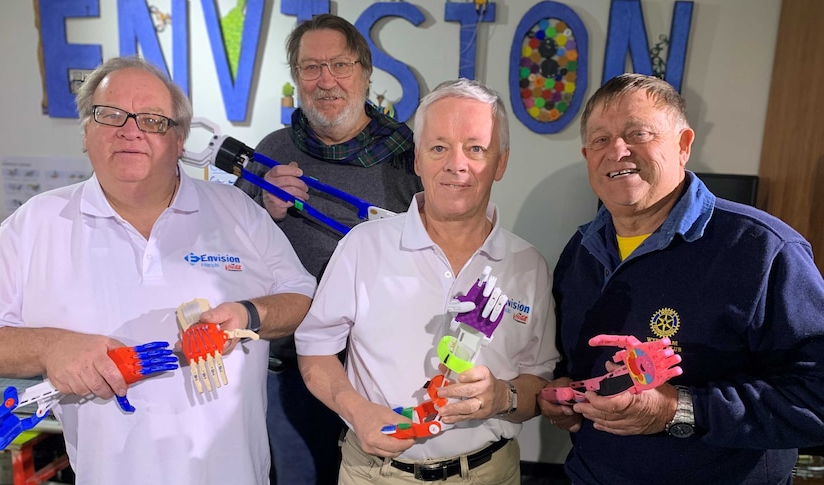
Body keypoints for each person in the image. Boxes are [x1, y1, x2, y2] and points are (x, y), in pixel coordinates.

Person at [0, 56, 316, 484]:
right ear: (86, 130)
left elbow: (301, 295)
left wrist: (248, 314)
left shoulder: (236, 211)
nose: (129, 131)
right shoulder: (35, 224)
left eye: (151, 120)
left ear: (180, 139)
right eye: (110, 115)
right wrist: (49, 348)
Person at [540, 73, 824, 484]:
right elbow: (573, 365)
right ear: (588, 155)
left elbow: (816, 398)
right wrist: (564, 395)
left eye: (638, 133)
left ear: (683, 145)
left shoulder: (764, 250)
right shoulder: (580, 250)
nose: (617, 150)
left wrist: (678, 410)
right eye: (601, 140)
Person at [295, 78, 560, 484]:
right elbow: (315, 349)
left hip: (489, 474)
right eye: (439, 148)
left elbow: (538, 384)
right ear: (417, 160)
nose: (457, 164)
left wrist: (501, 398)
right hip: (375, 473)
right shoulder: (363, 246)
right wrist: (355, 410)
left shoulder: (528, 265)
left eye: (476, 149)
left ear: (500, 163)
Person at [234, 13, 422, 484]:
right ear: (296, 77)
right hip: (290, 370)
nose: (326, 81)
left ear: (365, 71)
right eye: (310, 67)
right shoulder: (271, 150)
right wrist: (264, 205)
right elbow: (227, 254)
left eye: (339, 64)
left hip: (382, 366)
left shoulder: (409, 156)